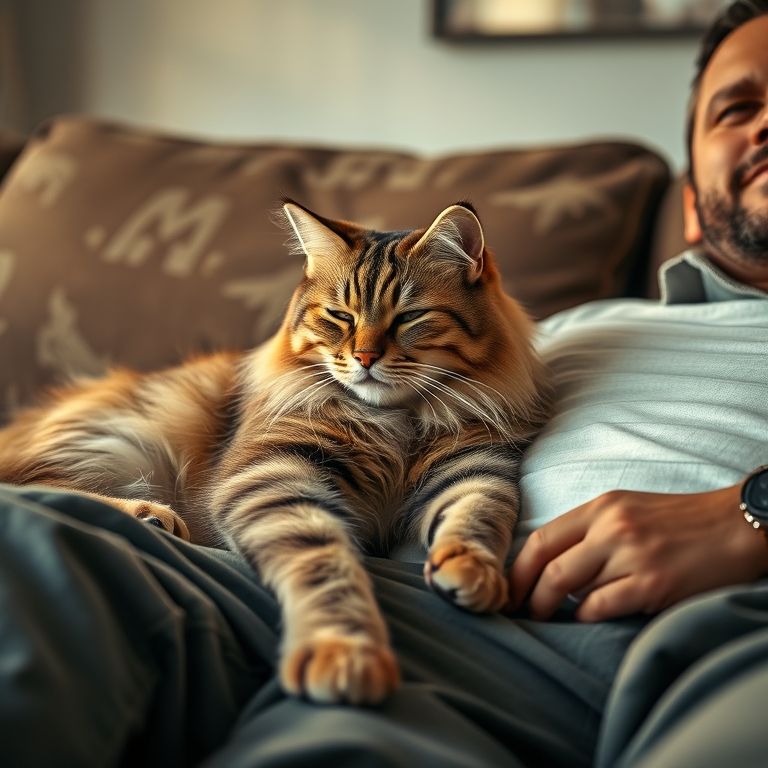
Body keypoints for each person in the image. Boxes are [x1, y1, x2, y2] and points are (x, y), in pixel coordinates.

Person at [1, 2, 767, 766]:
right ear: (691, 205)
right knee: (25, 538)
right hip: (395, 599)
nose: (766, 124)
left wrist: (749, 514)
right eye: (740, 106)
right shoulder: (567, 330)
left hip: (722, 631)